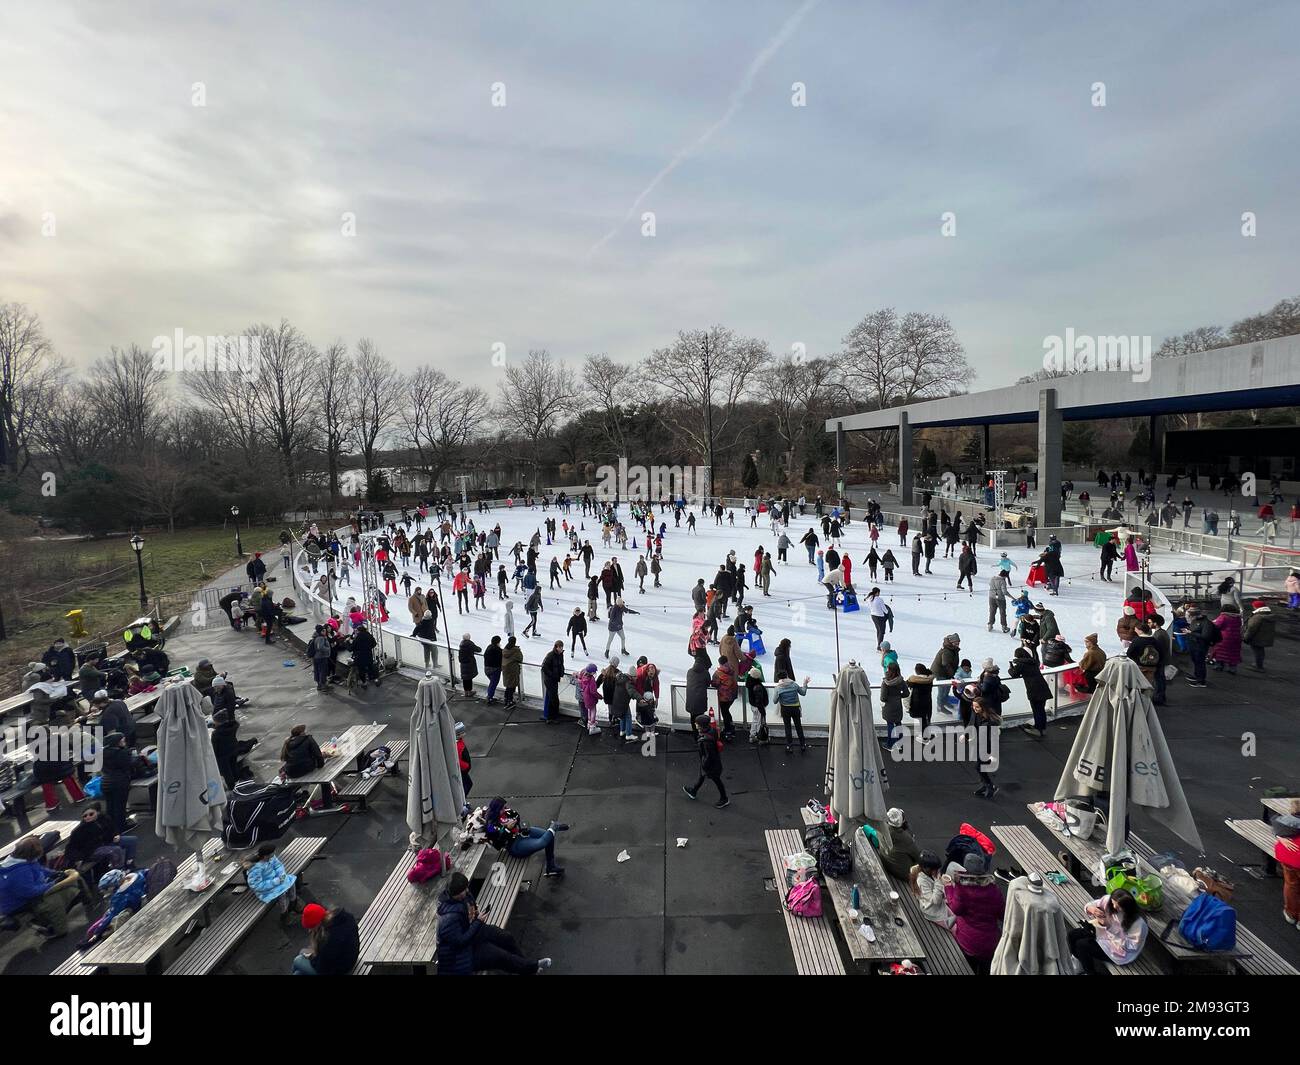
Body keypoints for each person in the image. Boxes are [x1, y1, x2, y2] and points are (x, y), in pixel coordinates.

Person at [435, 872, 552, 975]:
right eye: (464, 890)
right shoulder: (448, 919)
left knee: (506, 937)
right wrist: (478, 921)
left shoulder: (462, 897)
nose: (467, 891)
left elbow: (470, 910)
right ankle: (531, 967)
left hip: (474, 933)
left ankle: (527, 967)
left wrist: (476, 913)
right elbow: (461, 942)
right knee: (500, 956)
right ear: (456, 893)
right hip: (462, 954)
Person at [0, 835, 97, 937]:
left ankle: (86, 900)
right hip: (18, 904)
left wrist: (55, 873)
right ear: (30, 855)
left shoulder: (22, 859)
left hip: (31, 891)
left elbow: (39, 869)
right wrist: (52, 884)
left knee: (74, 878)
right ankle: (57, 930)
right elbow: (30, 892)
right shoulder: (18, 871)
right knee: (54, 900)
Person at [943, 853, 1003, 974]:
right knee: (987, 970)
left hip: (968, 941)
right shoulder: (994, 890)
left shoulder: (962, 889)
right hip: (990, 943)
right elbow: (1002, 914)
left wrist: (949, 888)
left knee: (969, 969)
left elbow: (956, 909)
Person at [1068, 889, 1147, 974]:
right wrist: (1091, 909)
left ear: (1128, 908)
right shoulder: (1109, 901)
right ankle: (1080, 962)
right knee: (1072, 935)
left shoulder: (1138, 923)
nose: (1114, 907)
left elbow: (1131, 947)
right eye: (1113, 903)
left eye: (1119, 907)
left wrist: (1109, 927)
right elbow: (1091, 904)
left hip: (1119, 951)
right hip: (1102, 933)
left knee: (1082, 944)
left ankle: (1090, 972)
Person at [483, 797, 567, 878]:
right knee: (542, 842)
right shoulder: (490, 826)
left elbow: (516, 815)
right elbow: (499, 839)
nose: (504, 810)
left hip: (521, 832)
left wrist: (514, 821)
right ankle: (554, 826)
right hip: (514, 845)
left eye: (504, 807)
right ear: (496, 810)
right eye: (502, 809)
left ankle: (551, 866)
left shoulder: (505, 812)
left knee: (549, 836)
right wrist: (507, 828)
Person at [63, 805, 137, 878]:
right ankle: (119, 872)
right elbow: (70, 847)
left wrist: (116, 835)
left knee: (132, 840)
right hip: (92, 851)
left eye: (91, 814)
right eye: (85, 816)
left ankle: (129, 864)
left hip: (107, 842)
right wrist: (78, 858)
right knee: (115, 850)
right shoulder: (79, 830)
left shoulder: (104, 819)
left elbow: (113, 828)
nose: (88, 817)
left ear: (97, 813)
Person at [293, 903, 360, 975]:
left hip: (342, 969)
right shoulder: (345, 917)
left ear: (317, 925)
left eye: (311, 927)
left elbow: (321, 968)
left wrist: (311, 958)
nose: (309, 931)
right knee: (298, 973)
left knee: (297, 960)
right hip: (350, 957)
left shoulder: (328, 939)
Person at [246, 842, 302, 917]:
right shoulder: (256, 868)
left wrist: (281, 874)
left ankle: (293, 903)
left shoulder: (271, 858)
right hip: (266, 890)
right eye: (272, 854)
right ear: (265, 856)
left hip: (277, 880)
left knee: (291, 883)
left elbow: (278, 865)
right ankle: (284, 915)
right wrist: (275, 882)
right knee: (281, 894)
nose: (274, 855)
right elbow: (256, 885)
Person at [1009, 647, 1050, 736]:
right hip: (1043, 687)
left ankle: (1038, 730)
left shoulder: (1021, 665)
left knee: (1037, 710)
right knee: (1041, 709)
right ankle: (1041, 727)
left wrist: (1011, 668)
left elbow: (1013, 674)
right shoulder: (1033, 662)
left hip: (1034, 690)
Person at [99, 730, 134, 832]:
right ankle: (121, 827)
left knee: (110, 807)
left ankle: (111, 827)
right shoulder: (122, 753)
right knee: (120, 806)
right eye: (122, 741)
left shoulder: (102, 753)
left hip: (105, 783)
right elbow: (129, 765)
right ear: (117, 742)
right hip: (119, 782)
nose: (124, 743)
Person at [910, 851, 954, 928]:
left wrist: (944, 884)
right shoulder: (921, 881)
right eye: (935, 869)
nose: (937, 871)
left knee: (957, 916)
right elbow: (935, 901)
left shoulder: (929, 873)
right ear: (926, 868)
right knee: (955, 928)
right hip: (932, 912)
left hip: (940, 905)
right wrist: (939, 882)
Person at [878, 807, 922, 879]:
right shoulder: (905, 838)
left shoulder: (880, 826)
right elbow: (918, 857)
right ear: (901, 822)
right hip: (902, 873)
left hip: (886, 862)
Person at [774, 673, 810, 753]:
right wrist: (805, 684)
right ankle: (802, 745)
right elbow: (803, 693)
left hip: (785, 709)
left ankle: (789, 746)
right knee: (798, 726)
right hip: (795, 708)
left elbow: (774, 701)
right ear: (787, 676)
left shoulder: (778, 687)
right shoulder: (794, 685)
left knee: (787, 727)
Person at [1242, 599, 1276, 672]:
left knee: (1257, 652)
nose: (1253, 607)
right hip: (1264, 637)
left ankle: (1258, 667)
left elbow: (1251, 629)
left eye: (1253, 606)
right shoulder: (1269, 615)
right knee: (1260, 651)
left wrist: (1245, 637)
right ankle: (1259, 664)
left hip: (1257, 638)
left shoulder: (1257, 617)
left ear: (1256, 607)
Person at [540, 641, 565, 722]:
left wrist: (561, 673)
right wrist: (552, 675)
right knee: (554, 699)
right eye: (560, 647)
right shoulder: (550, 655)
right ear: (556, 647)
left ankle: (550, 716)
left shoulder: (560, 655)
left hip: (554, 679)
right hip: (550, 680)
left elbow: (560, 665)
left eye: (562, 647)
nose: (561, 649)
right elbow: (544, 667)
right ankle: (552, 717)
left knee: (552, 698)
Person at [905, 663, 933, 733]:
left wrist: (907, 707)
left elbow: (907, 693)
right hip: (927, 704)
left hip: (916, 705)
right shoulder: (929, 680)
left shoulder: (913, 681)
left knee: (919, 722)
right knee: (925, 720)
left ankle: (923, 737)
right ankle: (925, 736)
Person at [501, 636, 523, 709]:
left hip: (505, 670)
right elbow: (520, 658)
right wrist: (518, 650)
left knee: (508, 685)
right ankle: (509, 701)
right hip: (512, 670)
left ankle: (506, 699)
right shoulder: (516, 650)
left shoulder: (505, 649)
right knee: (511, 686)